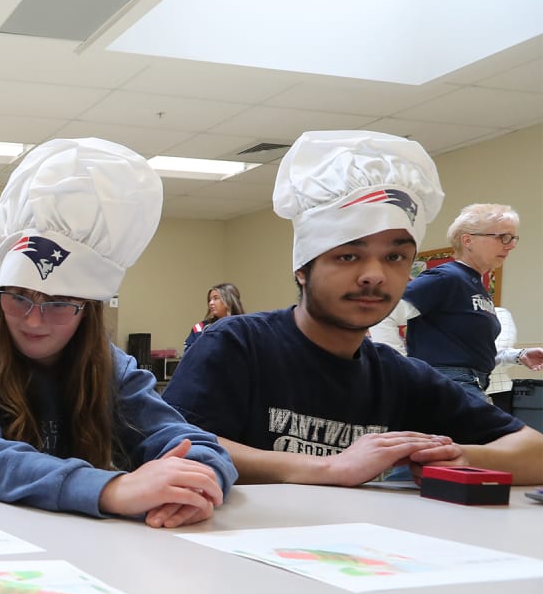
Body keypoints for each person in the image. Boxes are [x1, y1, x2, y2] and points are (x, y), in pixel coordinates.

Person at [163, 130, 543, 487]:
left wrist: (452, 457)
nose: (374, 275)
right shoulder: (238, 344)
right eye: (348, 255)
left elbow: (534, 452)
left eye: (395, 256)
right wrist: (329, 467)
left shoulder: (400, 376)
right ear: (302, 269)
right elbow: (175, 444)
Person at [0, 138, 236, 528]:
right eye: (19, 298)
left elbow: (195, 444)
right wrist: (111, 489)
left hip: (66, 547)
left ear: (89, 311)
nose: (33, 320)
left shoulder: (109, 364)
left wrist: (194, 484)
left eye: (60, 303)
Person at [370, 203, 543, 401]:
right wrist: (400, 368)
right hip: (447, 385)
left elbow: (468, 353)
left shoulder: (475, 286)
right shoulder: (447, 277)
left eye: (513, 238)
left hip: (471, 383)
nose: (511, 245)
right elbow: (384, 314)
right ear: (468, 240)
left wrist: (517, 356)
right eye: (502, 237)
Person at [183, 282, 244, 353]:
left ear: (229, 300)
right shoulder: (200, 328)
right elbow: (189, 355)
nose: (211, 303)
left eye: (216, 298)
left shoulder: (245, 327)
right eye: (209, 300)